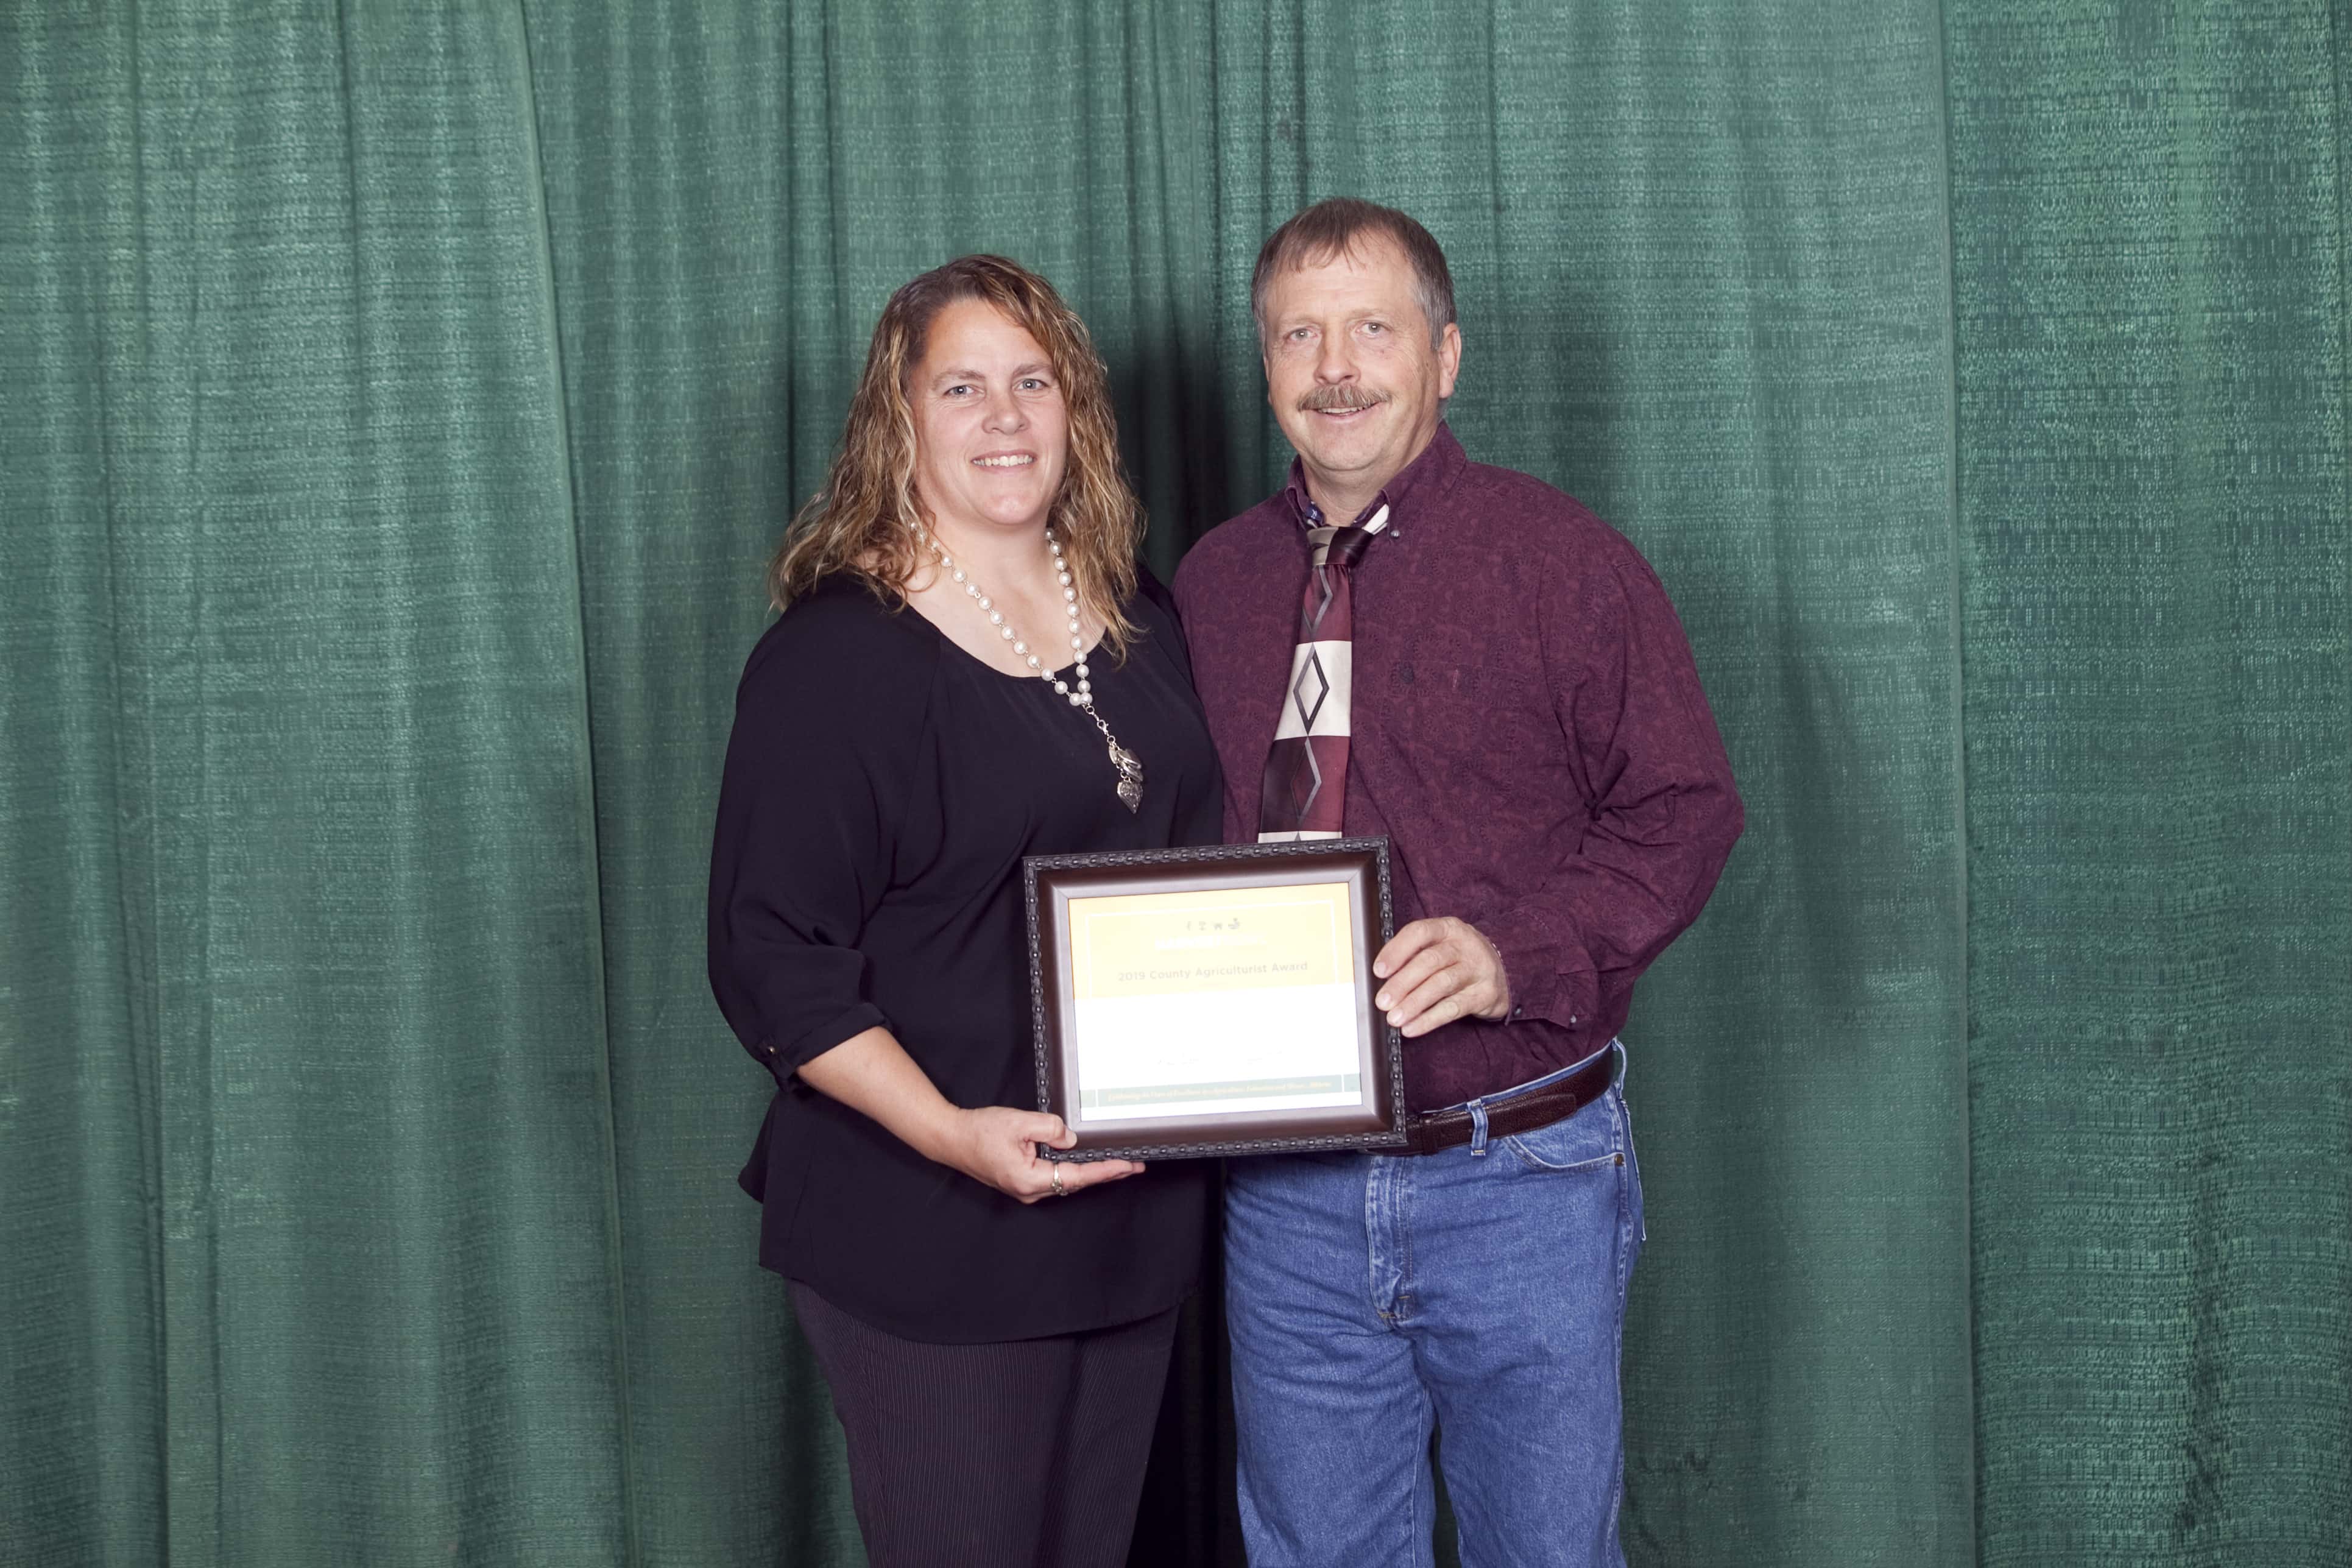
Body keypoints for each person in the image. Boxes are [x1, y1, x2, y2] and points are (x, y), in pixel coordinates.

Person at [1172, 199, 1745, 1567]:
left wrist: (1514, 949)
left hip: (1519, 1169)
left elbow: (1684, 808)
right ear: (1264, 370)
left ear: (1445, 355)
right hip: (1286, 1191)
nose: (1336, 368)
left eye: (1373, 328)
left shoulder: (1564, 563)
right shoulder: (1208, 585)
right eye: (1297, 335)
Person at [708, 255, 1224, 1568]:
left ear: (1073, 410)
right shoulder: (837, 657)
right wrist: (947, 1132)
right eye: (961, 386)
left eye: (1031, 381)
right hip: (929, 1226)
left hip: (1122, 1216)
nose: (1004, 416)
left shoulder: (1134, 612)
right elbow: (770, 959)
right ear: (901, 419)